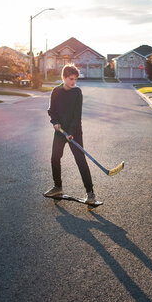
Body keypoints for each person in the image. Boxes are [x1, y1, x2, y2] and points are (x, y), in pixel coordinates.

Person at [44, 64, 95, 203]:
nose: (74, 82)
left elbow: (77, 116)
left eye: (75, 79)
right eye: (71, 79)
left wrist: (71, 133)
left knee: (80, 160)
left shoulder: (77, 92)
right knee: (55, 158)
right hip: (60, 131)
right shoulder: (56, 91)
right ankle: (57, 186)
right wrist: (54, 122)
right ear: (64, 77)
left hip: (74, 131)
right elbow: (51, 110)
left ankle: (90, 192)